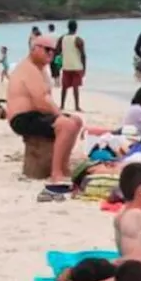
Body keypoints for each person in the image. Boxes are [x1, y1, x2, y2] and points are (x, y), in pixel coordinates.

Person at [7, 35, 84, 197]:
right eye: (47, 50)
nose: (51, 54)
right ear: (34, 49)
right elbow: (42, 101)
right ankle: (55, 173)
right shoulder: (28, 68)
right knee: (66, 124)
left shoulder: (41, 69)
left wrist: (62, 116)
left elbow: (46, 101)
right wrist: (60, 116)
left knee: (76, 121)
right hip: (22, 117)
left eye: (53, 51)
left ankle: (63, 167)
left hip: (36, 114)